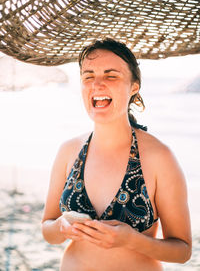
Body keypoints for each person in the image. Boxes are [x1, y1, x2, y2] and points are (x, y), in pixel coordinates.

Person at [41, 38, 192, 271]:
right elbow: (47, 229)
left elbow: (182, 250)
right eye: (88, 76)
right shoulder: (69, 151)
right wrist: (61, 226)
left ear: (134, 87)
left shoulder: (159, 158)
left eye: (111, 76)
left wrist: (132, 240)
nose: (97, 84)